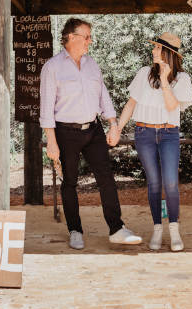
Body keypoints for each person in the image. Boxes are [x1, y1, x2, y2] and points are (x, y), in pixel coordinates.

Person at [40, 17, 142, 250]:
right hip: (65, 132)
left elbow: (103, 96)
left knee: (106, 178)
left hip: (93, 129)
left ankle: (117, 229)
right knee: (70, 183)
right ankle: (75, 230)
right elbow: (46, 108)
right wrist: (51, 142)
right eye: (86, 36)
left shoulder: (92, 64)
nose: (90, 41)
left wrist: (113, 123)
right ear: (71, 38)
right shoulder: (52, 67)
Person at [109, 32, 192, 251]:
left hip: (169, 134)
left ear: (168, 53)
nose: (153, 51)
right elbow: (130, 105)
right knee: (154, 183)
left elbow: (173, 106)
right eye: (155, 47)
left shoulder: (182, 79)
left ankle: (174, 230)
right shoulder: (144, 73)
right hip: (144, 133)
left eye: (157, 48)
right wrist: (117, 127)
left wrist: (165, 80)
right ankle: (157, 229)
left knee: (171, 183)